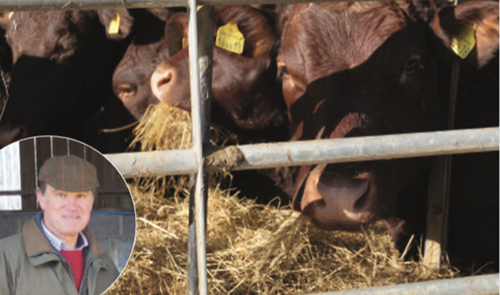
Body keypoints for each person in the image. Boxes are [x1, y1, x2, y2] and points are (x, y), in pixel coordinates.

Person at [0, 155, 120, 295]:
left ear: (91, 201)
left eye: (80, 196)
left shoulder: (105, 265)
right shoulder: (5, 257)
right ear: (41, 198)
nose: (72, 207)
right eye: (61, 195)